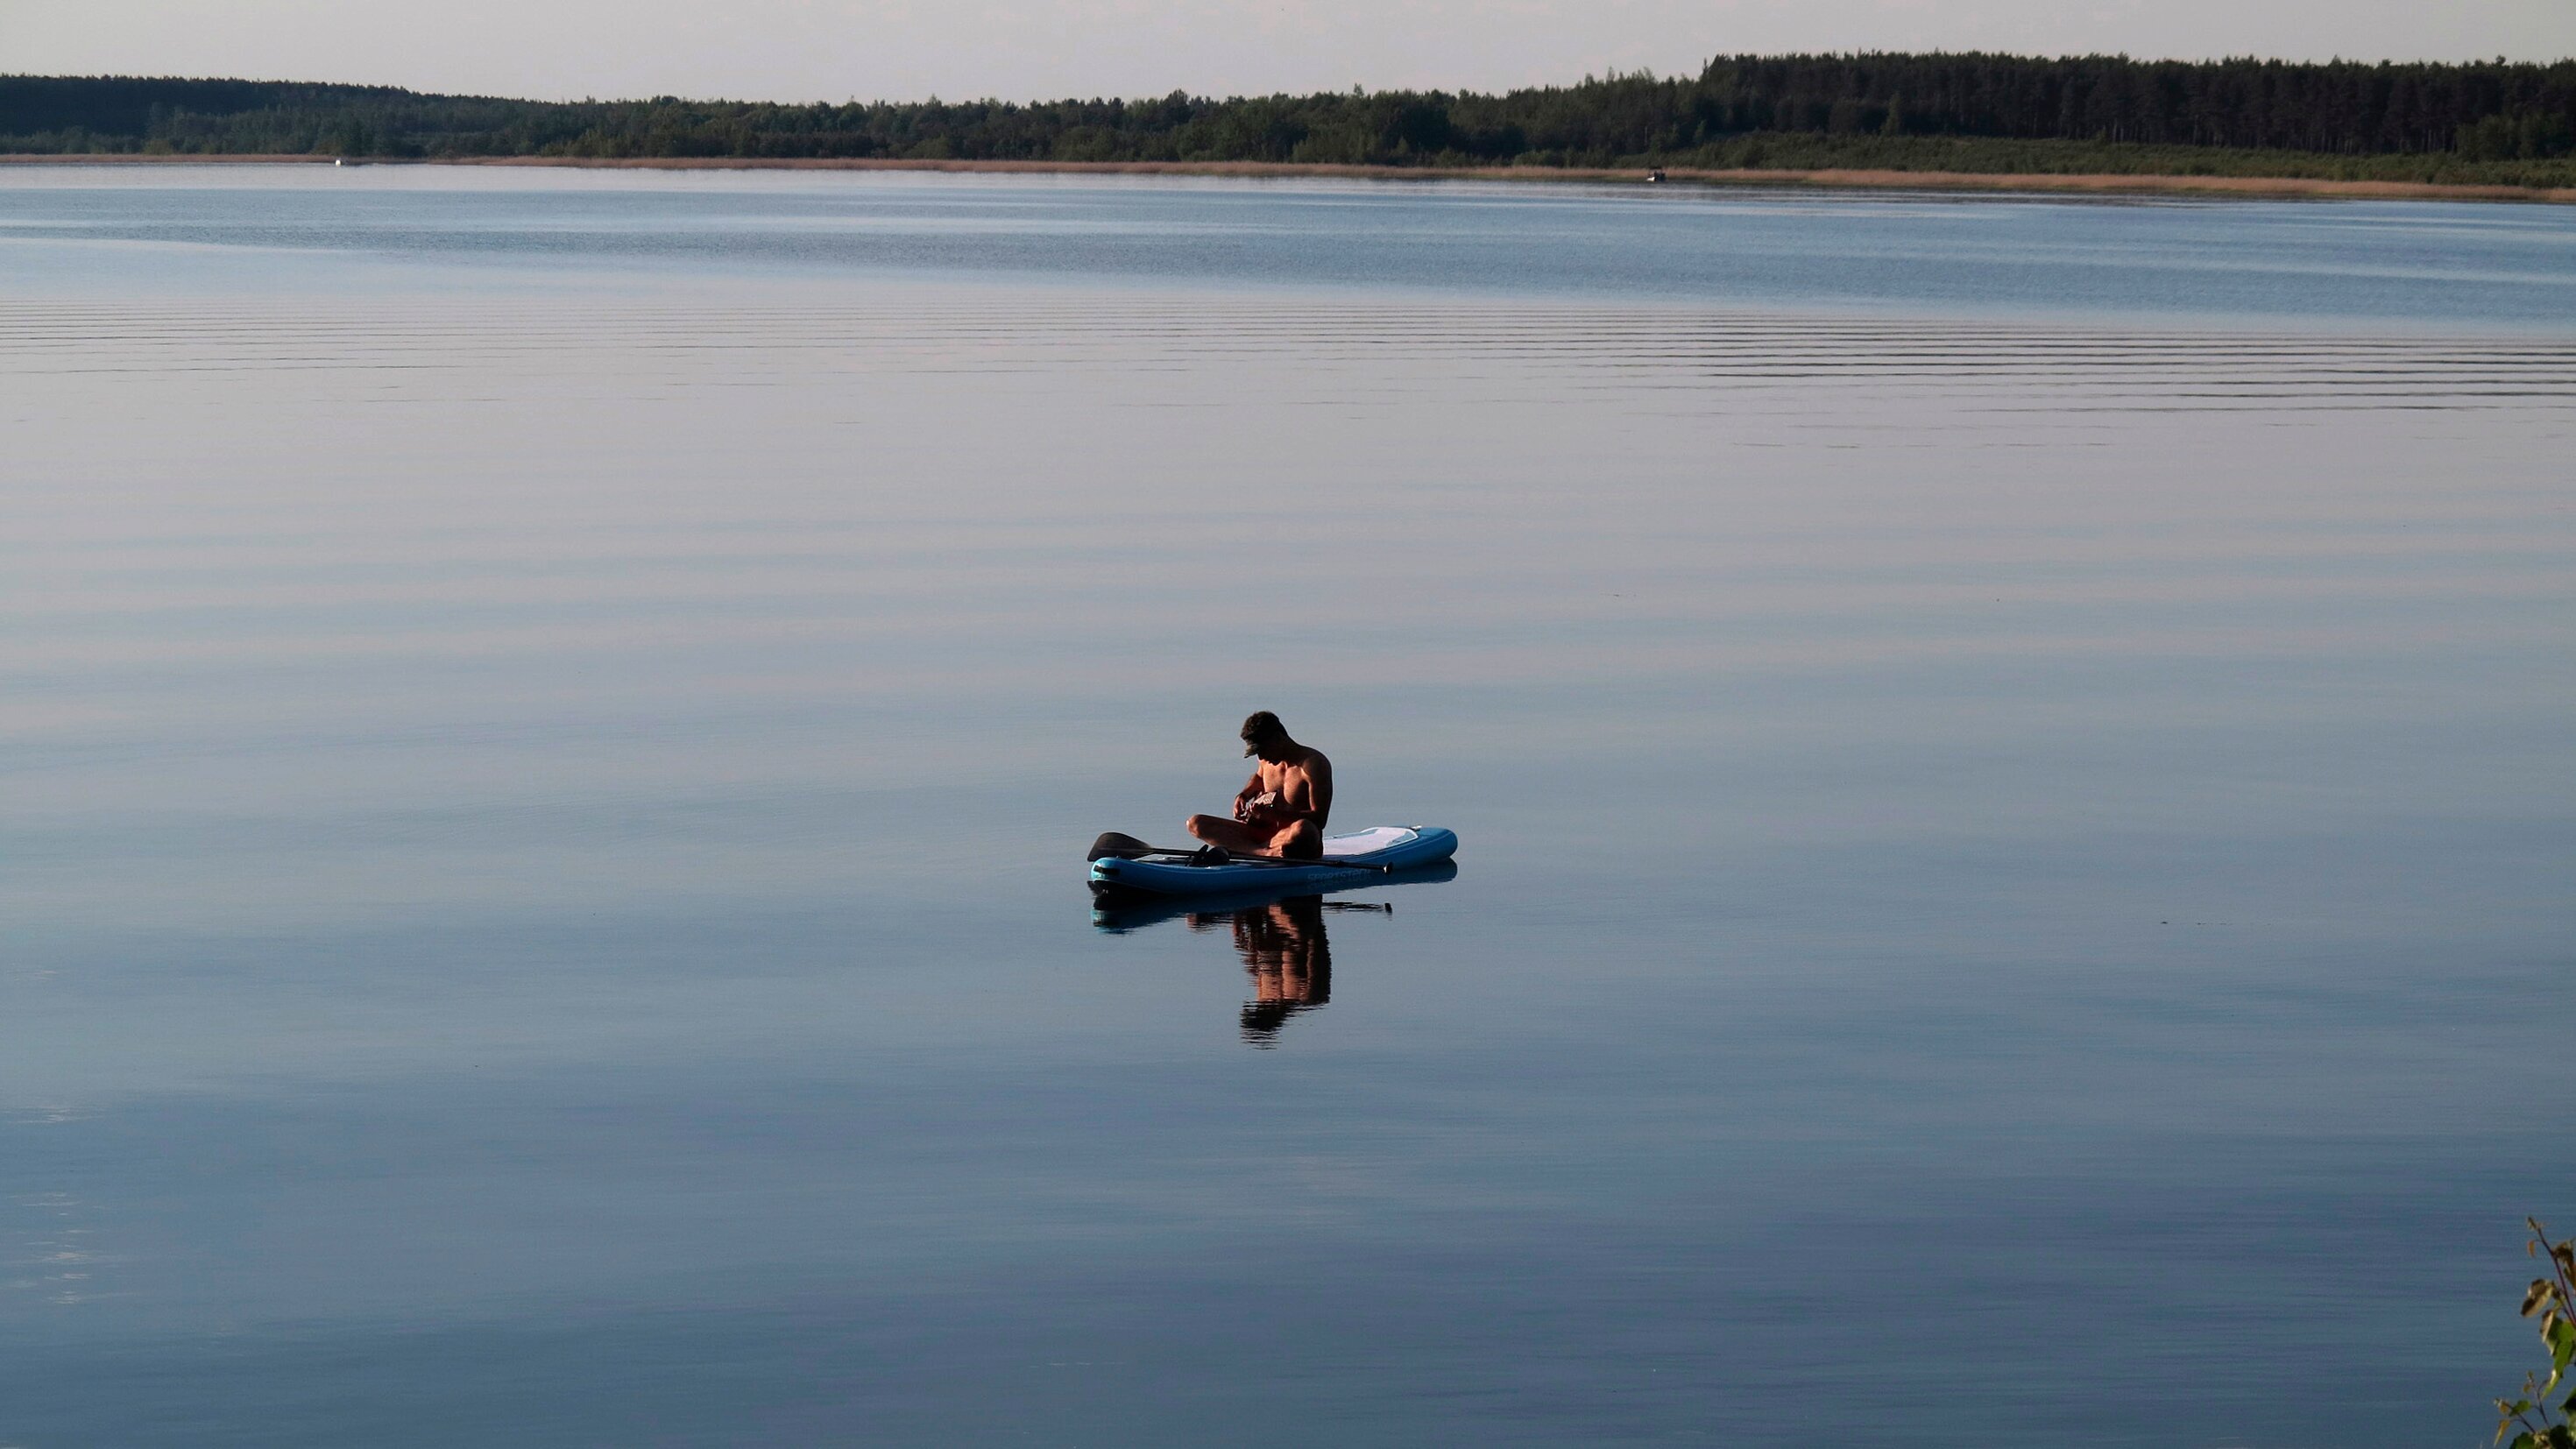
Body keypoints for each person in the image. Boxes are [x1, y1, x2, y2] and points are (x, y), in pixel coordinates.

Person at [1185, 710, 1333, 859]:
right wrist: (1243, 796)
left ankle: (1245, 849)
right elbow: (1259, 777)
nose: (1261, 757)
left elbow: (1320, 819)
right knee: (1196, 823)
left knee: (1304, 829)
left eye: (1263, 750)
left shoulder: (1314, 764)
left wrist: (1272, 815)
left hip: (1291, 836)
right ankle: (1261, 852)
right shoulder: (1266, 761)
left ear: (1278, 738)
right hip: (1260, 835)